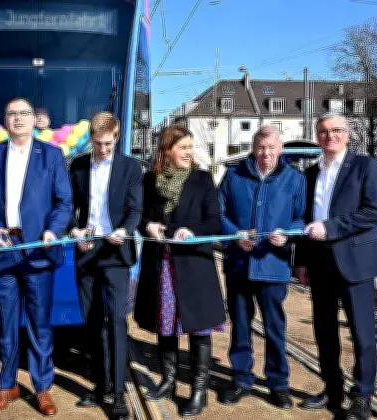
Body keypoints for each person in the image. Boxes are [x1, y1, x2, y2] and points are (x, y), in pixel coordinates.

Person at [0, 98, 72, 416]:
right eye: (12, 114)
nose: (17, 119)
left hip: (38, 253)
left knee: (40, 323)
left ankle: (42, 388)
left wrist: (53, 231)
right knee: (7, 324)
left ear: (34, 119)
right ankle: (7, 386)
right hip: (2, 249)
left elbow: (64, 201)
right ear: (5, 120)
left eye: (23, 114)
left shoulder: (52, 155)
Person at [294, 113, 377, 420]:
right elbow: (307, 220)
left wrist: (332, 228)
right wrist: (302, 261)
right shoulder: (310, 173)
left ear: (347, 134)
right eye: (323, 131)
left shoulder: (365, 166)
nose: (329, 136)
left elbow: (374, 212)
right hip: (319, 263)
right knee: (324, 331)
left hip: (355, 262)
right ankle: (332, 388)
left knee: (362, 333)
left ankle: (361, 396)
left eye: (335, 131)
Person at [133, 125, 226, 417]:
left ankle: (198, 390)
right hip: (161, 265)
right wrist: (148, 225)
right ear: (167, 151)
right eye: (182, 147)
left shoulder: (202, 179)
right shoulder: (150, 180)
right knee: (166, 325)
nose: (188, 153)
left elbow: (214, 222)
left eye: (190, 147)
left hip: (194, 266)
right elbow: (142, 217)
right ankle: (169, 379)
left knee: (199, 328)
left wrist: (188, 229)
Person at [217, 125, 305, 409]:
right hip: (239, 265)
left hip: (273, 266)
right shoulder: (233, 176)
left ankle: (278, 383)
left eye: (271, 148)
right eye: (260, 148)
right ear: (253, 149)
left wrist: (288, 233)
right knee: (240, 325)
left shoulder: (295, 179)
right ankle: (241, 378)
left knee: (274, 327)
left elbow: (302, 218)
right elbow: (217, 214)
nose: (266, 154)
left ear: (280, 149)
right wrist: (235, 235)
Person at [68, 112, 142, 419]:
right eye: (97, 143)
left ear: (117, 137)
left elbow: (135, 209)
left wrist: (124, 230)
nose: (102, 149)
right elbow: (68, 206)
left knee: (117, 320)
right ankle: (101, 383)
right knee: (92, 321)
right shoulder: (79, 166)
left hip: (115, 252)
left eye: (108, 143)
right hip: (87, 251)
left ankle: (120, 392)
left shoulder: (130, 167)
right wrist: (73, 230)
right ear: (91, 138)